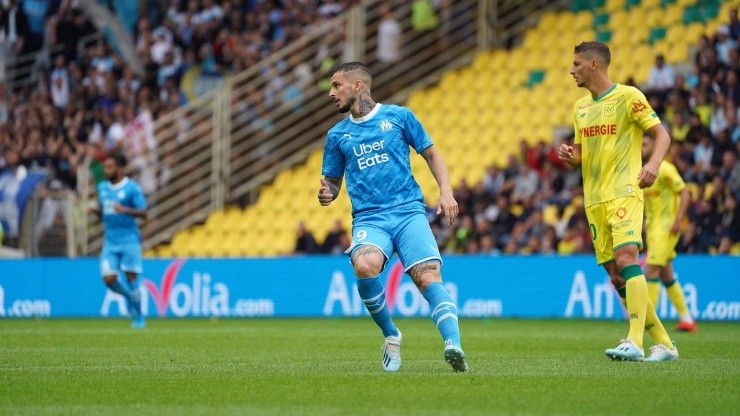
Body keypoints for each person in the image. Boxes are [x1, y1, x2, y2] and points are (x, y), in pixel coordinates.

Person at [318, 62, 467, 372]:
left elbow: (431, 154)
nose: (331, 93)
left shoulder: (399, 117)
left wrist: (446, 191)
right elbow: (332, 182)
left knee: (427, 276)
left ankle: (453, 345)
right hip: (370, 218)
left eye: (336, 85)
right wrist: (328, 193)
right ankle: (391, 334)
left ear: (357, 86)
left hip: (409, 211)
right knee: (364, 265)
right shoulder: (337, 135)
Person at [558, 41, 678, 362]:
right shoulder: (580, 108)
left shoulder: (628, 97)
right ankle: (665, 344)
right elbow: (583, 155)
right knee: (615, 274)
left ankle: (635, 342)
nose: (572, 70)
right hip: (594, 200)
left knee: (627, 259)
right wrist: (571, 157)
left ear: (594, 65)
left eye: (577, 64)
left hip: (625, 191)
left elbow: (662, 135)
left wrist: (652, 164)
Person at [642, 136, 697, 332]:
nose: (641, 147)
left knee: (651, 272)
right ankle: (687, 320)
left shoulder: (665, 168)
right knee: (667, 275)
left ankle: (646, 325)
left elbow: (685, 193)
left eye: (645, 144)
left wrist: (678, 220)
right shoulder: (643, 173)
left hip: (666, 228)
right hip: (653, 229)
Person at [89, 153, 148, 329]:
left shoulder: (132, 188)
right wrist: (95, 211)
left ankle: (139, 318)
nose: (105, 171)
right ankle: (129, 298)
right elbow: (106, 214)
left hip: (129, 240)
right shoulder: (102, 188)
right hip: (110, 242)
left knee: (131, 279)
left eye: (109, 167)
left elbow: (144, 212)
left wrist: (125, 210)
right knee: (108, 279)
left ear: (120, 169)